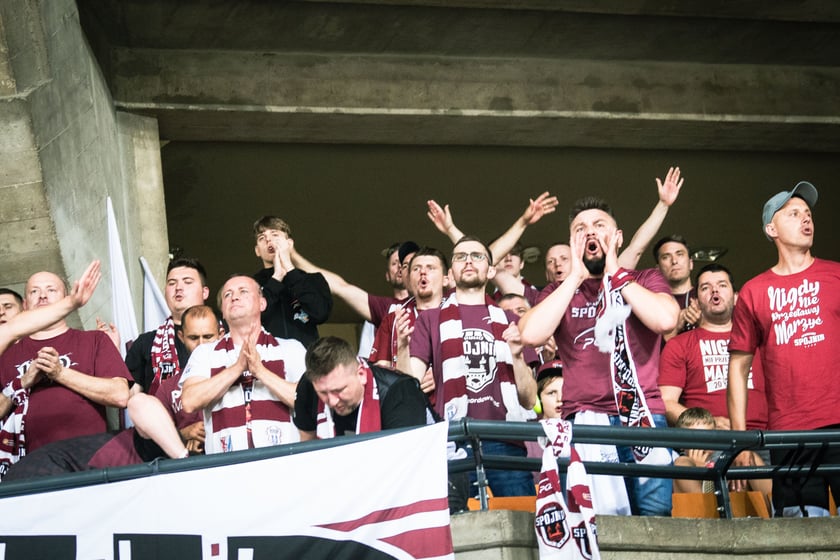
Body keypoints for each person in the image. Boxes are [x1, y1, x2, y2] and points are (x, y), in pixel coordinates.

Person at [518, 196, 679, 516]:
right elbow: (531, 334)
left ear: (618, 237)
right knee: (594, 523)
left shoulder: (645, 279)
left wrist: (615, 272)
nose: (590, 232)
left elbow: (665, 320)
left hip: (643, 416)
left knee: (656, 521)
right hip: (585, 422)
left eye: (599, 225)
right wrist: (574, 277)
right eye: (580, 229)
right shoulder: (559, 291)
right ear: (572, 243)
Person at [1, 305, 224, 481]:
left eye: (208, 337)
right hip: (169, 457)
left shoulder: (234, 375)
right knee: (139, 401)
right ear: (181, 337)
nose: (201, 345)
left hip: (225, 451)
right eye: (194, 338)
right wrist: (184, 435)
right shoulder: (169, 385)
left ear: (221, 335)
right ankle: (185, 463)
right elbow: (150, 425)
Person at [728, 180, 840, 517]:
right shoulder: (754, 291)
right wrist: (740, 439)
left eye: (808, 214)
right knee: (801, 528)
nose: (806, 218)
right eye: (793, 213)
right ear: (771, 229)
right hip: (789, 432)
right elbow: (738, 368)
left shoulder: (835, 276)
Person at [406, 236, 538, 497]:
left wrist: (517, 357)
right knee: (457, 521)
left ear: (490, 271)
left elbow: (530, 399)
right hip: (453, 439)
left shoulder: (511, 320)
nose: (468, 261)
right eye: (460, 256)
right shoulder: (430, 319)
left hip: (506, 437)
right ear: (450, 274)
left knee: (520, 518)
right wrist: (401, 346)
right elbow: (410, 383)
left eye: (477, 256)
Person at [0, 263, 131, 473]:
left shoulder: (94, 340)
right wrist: (22, 382)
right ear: (24, 304)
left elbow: (120, 395)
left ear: (64, 298)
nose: (43, 296)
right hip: (25, 467)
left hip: (86, 460)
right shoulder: (6, 353)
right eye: (34, 291)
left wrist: (60, 373)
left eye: (51, 290)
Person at [181, 275, 306, 453]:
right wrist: (237, 368)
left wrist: (260, 372)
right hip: (226, 464)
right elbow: (189, 401)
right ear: (223, 312)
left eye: (243, 291)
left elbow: (310, 402)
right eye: (227, 294)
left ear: (262, 303)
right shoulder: (204, 353)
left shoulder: (291, 348)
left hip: (282, 460)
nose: (235, 297)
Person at [659, 264, 768, 431]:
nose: (714, 291)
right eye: (705, 287)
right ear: (696, 302)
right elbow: (666, 402)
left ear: (737, 298)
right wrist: (707, 424)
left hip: (762, 435)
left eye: (722, 285)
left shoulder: (760, 340)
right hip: (707, 438)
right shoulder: (678, 345)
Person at [294, 336, 431, 440]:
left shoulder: (400, 392)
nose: (332, 401)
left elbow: (408, 458)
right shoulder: (308, 386)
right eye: (323, 393)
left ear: (361, 374)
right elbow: (307, 448)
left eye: (339, 390)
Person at [125, 257, 210, 395]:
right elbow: (129, 396)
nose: (178, 288)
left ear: (204, 292)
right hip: (162, 408)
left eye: (187, 282)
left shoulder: (224, 333)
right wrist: (111, 352)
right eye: (172, 283)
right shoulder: (145, 343)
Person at [252, 216, 333, 348]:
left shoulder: (313, 279)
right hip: (265, 356)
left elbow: (320, 313)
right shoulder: (250, 284)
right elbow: (248, 318)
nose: (268, 239)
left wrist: (290, 269)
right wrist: (276, 278)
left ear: (289, 244)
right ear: (257, 251)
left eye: (275, 234)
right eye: (262, 238)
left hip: (306, 357)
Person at [672, 407, 770, 496]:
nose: (702, 444)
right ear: (682, 444)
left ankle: (774, 506)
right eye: (694, 438)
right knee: (682, 463)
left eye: (707, 437)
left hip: (732, 501)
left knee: (747, 457)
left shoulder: (722, 457)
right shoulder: (680, 461)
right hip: (699, 506)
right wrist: (698, 469)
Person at [653, 234, 700, 340]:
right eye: (666, 257)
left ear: (691, 263)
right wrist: (676, 326)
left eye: (680, 254)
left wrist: (705, 322)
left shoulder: (705, 297)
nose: (674, 261)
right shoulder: (653, 303)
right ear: (657, 270)